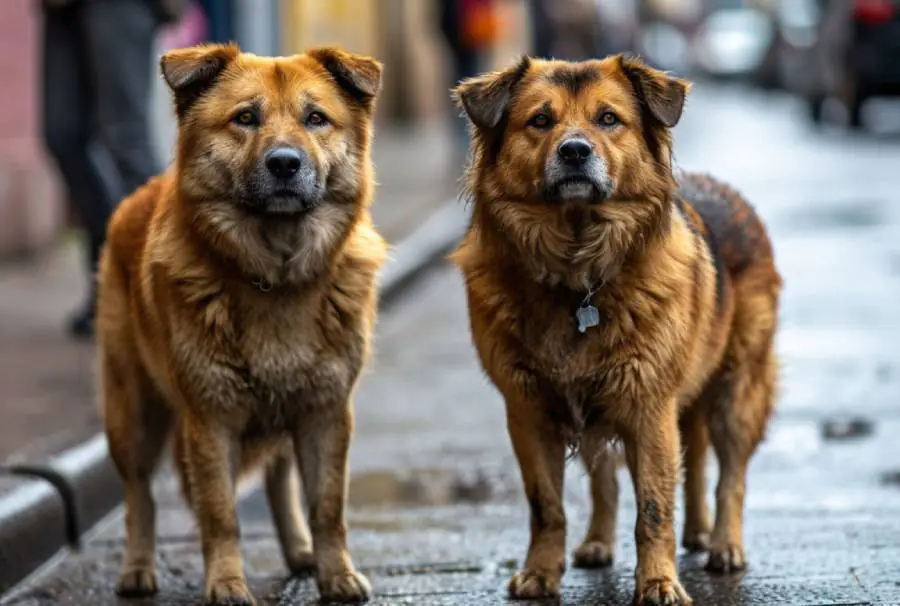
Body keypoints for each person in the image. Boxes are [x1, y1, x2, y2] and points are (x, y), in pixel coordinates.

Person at [40, 0, 185, 338]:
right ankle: (110, 275)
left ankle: (159, 289)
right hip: (62, 8)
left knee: (126, 139)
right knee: (63, 134)